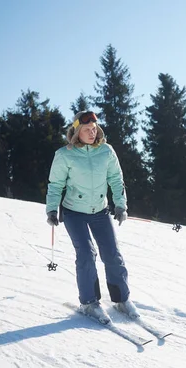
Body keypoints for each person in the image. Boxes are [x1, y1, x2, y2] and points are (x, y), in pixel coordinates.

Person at [45, 110, 139, 322]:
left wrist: (120, 206)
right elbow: (55, 184)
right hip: (73, 212)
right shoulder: (64, 154)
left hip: (100, 211)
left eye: (94, 129)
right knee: (87, 254)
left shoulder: (106, 151)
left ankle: (122, 299)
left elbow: (116, 179)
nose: (92, 132)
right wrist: (51, 209)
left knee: (112, 254)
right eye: (87, 129)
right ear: (77, 131)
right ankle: (89, 303)